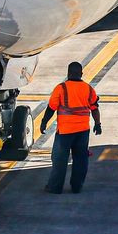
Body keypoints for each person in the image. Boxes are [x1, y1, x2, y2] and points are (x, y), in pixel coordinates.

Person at [39, 61, 101, 194]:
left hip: (65, 132)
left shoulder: (61, 88)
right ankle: (76, 187)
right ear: (81, 74)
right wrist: (98, 124)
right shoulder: (88, 89)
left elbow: (51, 108)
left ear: (68, 73)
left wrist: (44, 122)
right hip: (83, 131)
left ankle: (55, 188)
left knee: (59, 160)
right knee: (80, 159)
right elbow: (95, 108)